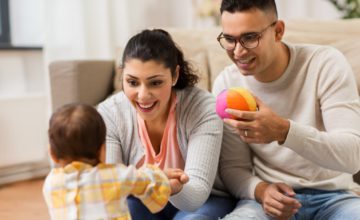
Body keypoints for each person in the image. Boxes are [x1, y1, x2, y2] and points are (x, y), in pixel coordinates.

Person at [213, 0, 360, 219]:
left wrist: (284, 131)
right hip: (267, 202)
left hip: (335, 197)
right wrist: (261, 191)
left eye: (250, 37)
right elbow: (234, 168)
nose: (239, 51)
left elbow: (353, 156)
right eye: (229, 39)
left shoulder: (325, 64)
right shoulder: (226, 84)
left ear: (278, 31)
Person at [97, 29, 236, 219]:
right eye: (132, 82)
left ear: (175, 75)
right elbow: (111, 188)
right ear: (122, 75)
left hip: (203, 201)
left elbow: (196, 196)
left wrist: (171, 187)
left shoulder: (203, 108)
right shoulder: (110, 113)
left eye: (155, 83)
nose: (143, 95)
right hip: (141, 201)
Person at [43, 103, 188, 220]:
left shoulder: (50, 183)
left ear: (52, 154)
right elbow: (146, 180)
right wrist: (166, 179)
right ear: (102, 150)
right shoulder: (115, 175)